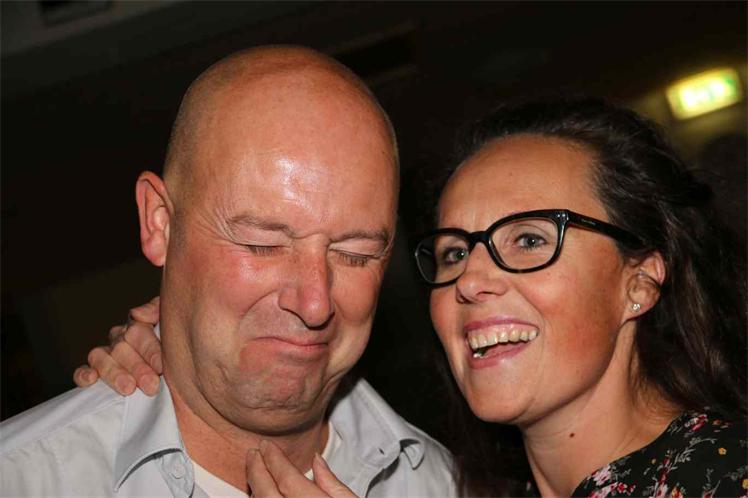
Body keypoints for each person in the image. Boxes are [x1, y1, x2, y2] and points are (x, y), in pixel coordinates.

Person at [76, 96, 748, 497]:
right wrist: (181, 351)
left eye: (528, 240)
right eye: (454, 251)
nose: (471, 281)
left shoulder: (723, 477)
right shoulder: (456, 486)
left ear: (640, 281)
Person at [0, 46, 456, 497]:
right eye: (263, 244)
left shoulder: (443, 485)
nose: (315, 303)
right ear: (160, 223)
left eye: (355, 253)